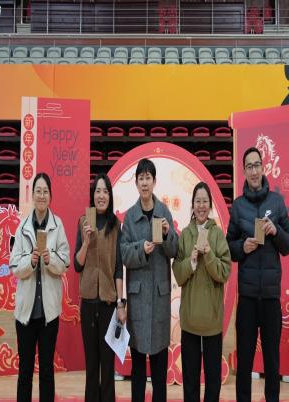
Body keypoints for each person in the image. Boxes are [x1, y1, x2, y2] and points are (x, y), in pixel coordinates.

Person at [226, 147, 289, 402]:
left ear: (263, 168)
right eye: (249, 166)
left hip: (270, 298)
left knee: (272, 361)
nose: (254, 171)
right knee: (244, 360)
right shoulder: (238, 206)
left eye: (257, 165)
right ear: (244, 171)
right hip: (247, 298)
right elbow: (228, 247)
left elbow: (288, 245)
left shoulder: (277, 203)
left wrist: (276, 231)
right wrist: (241, 247)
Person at [121, 158, 178, 402]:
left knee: (159, 369)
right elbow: (124, 253)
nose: (144, 183)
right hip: (137, 299)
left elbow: (175, 251)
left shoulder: (164, 212)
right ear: (136, 183)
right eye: (141, 178)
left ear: (154, 182)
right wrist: (141, 250)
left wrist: (167, 234)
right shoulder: (130, 216)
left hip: (159, 297)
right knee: (137, 371)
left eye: (148, 178)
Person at [10, 172, 70, 402]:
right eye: (38, 191)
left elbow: (64, 262)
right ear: (32, 195)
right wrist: (31, 261)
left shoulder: (58, 225)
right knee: (24, 372)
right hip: (25, 314)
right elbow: (15, 267)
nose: (42, 195)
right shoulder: (22, 227)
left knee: (46, 370)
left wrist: (49, 259)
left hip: (48, 314)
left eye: (45, 191)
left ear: (50, 196)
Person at [173, 181, 231, 402]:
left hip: (212, 320)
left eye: (205, 201)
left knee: (213, 379)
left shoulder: (217, 234)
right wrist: (191, 261)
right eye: (197, 201)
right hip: (189, 320)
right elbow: (178, 273)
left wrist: (208, 254)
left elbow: (224, 273)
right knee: (190, 378)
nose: (201, 206)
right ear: (192, 205)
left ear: (210, 205)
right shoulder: (185, 234)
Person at [74, 173, 127, 402]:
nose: (101, 195)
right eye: (97, 191)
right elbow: (77, 265)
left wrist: (120, 303)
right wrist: (86, 241)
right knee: (91, 365)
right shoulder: (83, 222)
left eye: (105, 191)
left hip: (108, 304)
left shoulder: (116, 226)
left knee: (107, 365)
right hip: (88, 303)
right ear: (92, 195)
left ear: (110, 196)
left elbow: (118, 268)